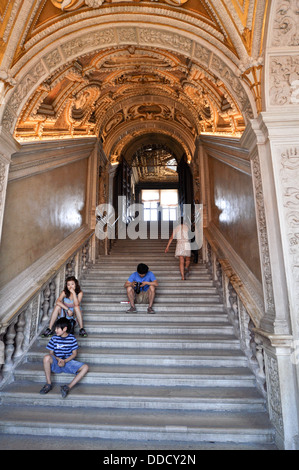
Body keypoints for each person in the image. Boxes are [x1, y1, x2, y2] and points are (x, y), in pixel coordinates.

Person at [39, 317, 89, 398]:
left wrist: (64, 361)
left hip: (68, 362)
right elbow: (51, 353)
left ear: (65, 329)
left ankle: (67, 387)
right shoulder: (54, 338)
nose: (55, 330)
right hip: (56, 362)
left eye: (58, 328)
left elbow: (74, 354)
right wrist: (59, 359)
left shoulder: (72, 338)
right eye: (55, 328)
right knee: (46, 357)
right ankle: (48, 384)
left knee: (85, 367)